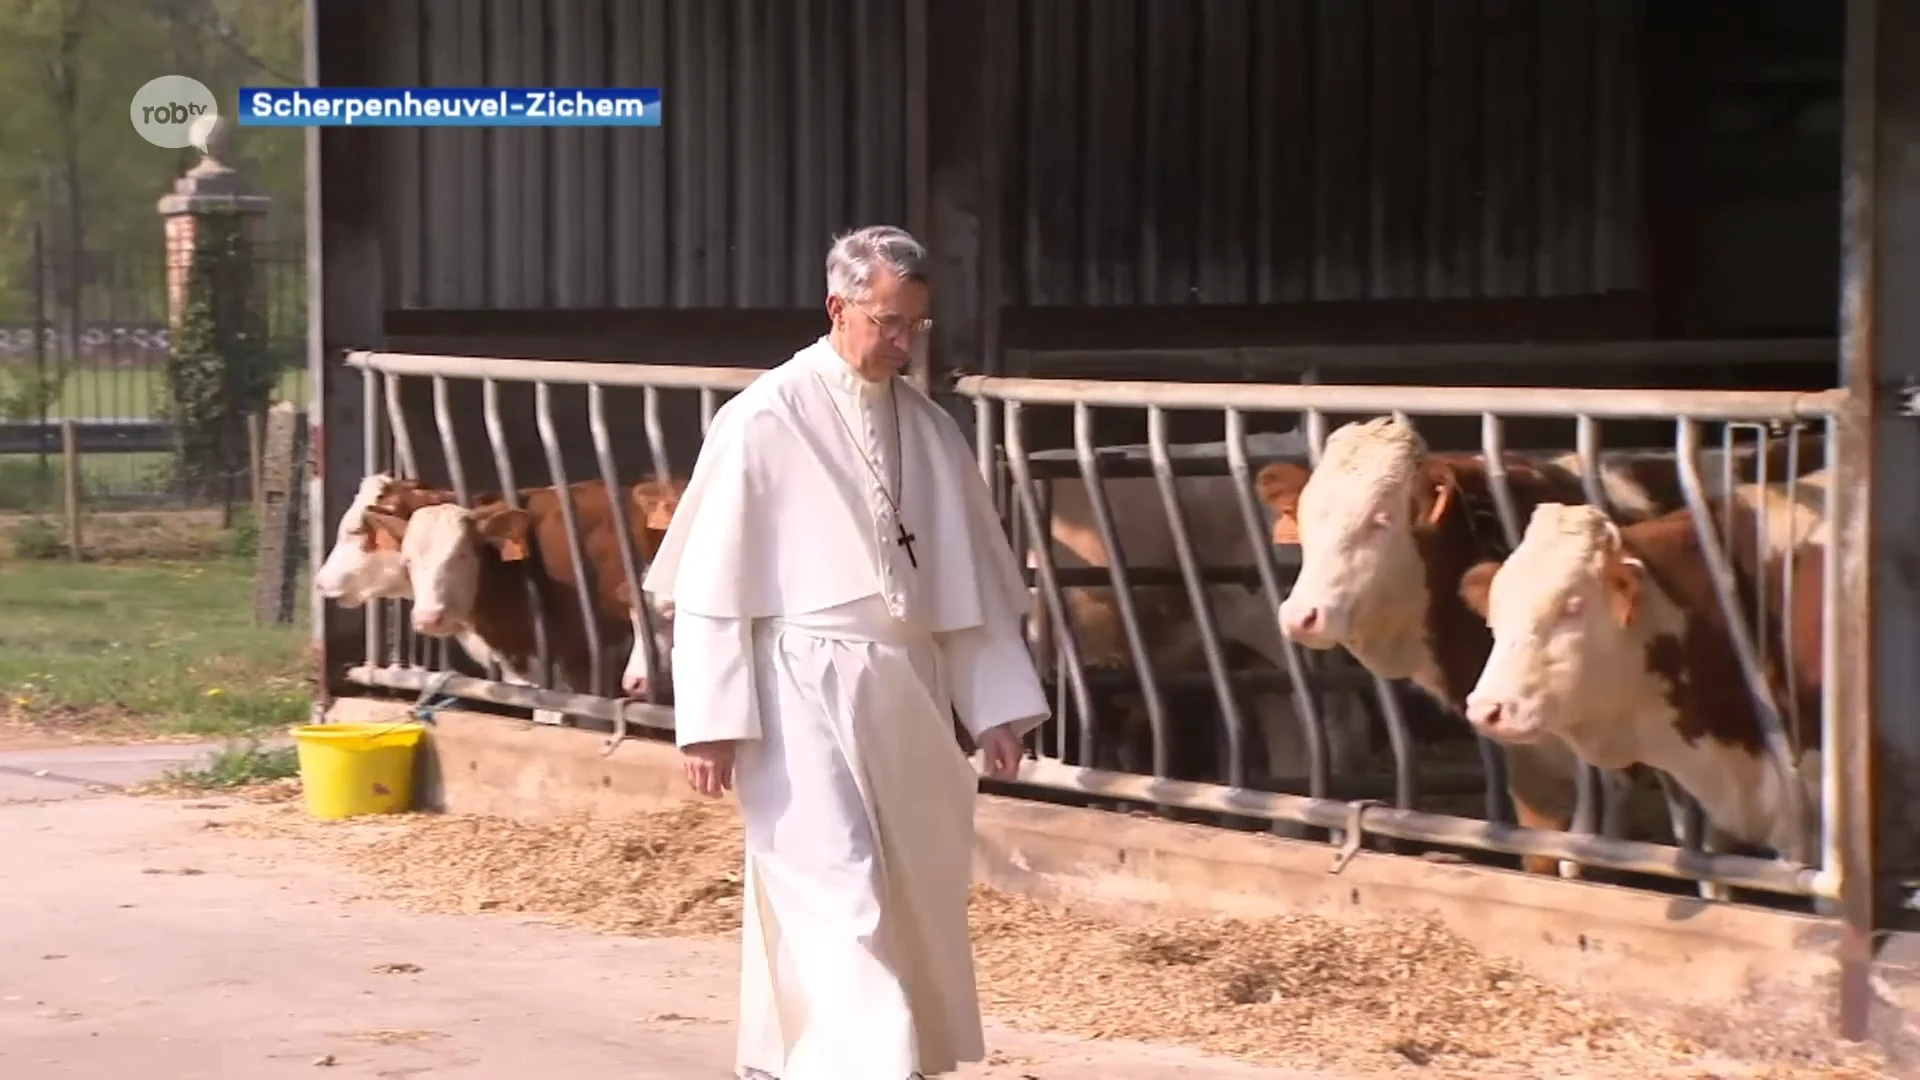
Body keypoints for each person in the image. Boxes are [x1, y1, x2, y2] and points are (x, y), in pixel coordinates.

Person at [641, 225, 1049, 1080]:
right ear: (839, 307)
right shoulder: (761, 418)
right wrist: (710, 720)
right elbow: (716, 587)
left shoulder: (931, 432)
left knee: (904, 889)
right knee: (837, 882)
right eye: (888, 323)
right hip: (797, 685)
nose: (903, 344)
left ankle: (792, 1058)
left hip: (905, 688)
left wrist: (998, 704)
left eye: (916, 327)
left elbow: (965, 579)